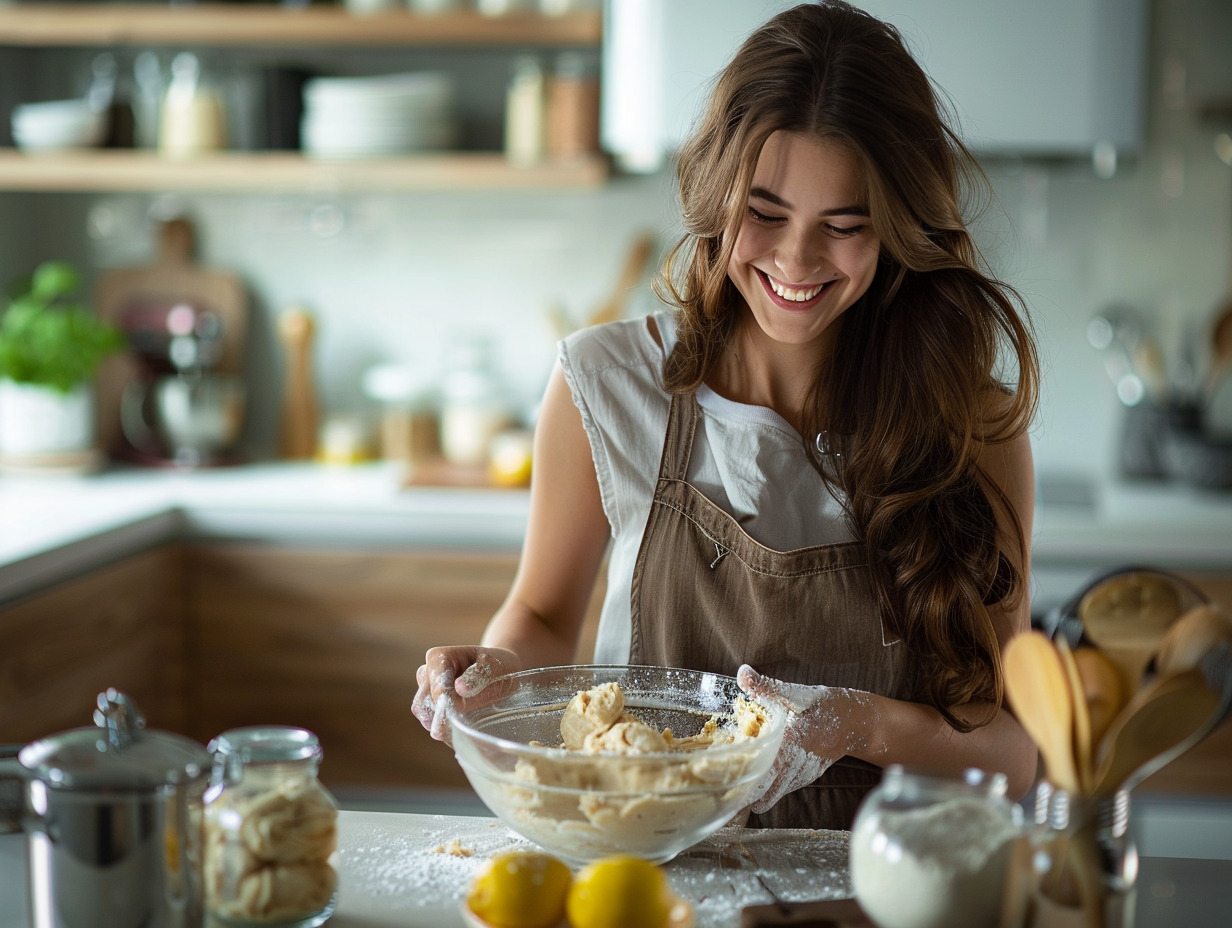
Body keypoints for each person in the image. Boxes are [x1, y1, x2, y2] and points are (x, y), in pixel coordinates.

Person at [414, 0, 1040, 830]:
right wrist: (495, 673)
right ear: (715, 193)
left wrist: (857, 724)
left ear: (898, 229)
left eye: (844, 227)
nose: (795, 259)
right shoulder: (606, 385)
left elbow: (1013, 753)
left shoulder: (971, 428)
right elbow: (541, 616)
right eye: (765, 214)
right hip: (649, 886)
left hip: (886, 892)